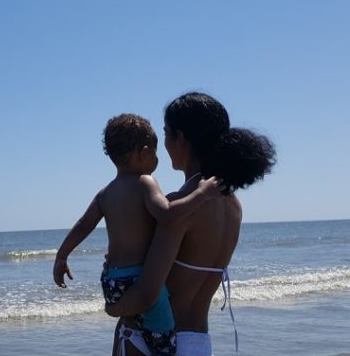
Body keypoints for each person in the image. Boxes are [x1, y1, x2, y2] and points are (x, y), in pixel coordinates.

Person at [105, 93, 276, 356]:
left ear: (180, 138)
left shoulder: (180, 203)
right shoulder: (233, 205)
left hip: (149, 341)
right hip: (197, 342)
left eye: (166, 133)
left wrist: (112, 308)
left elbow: (147, 294)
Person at [53, 113, 222, 356]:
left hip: (111, 281)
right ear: (144, 152)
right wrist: (202, 194)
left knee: (135, 322)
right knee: (164, 331)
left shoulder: (105, 194)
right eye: (154, 152)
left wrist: (62, 256)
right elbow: (167, 213)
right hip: (137, 279)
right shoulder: (146, 183)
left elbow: (83, 225)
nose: (157, 159)